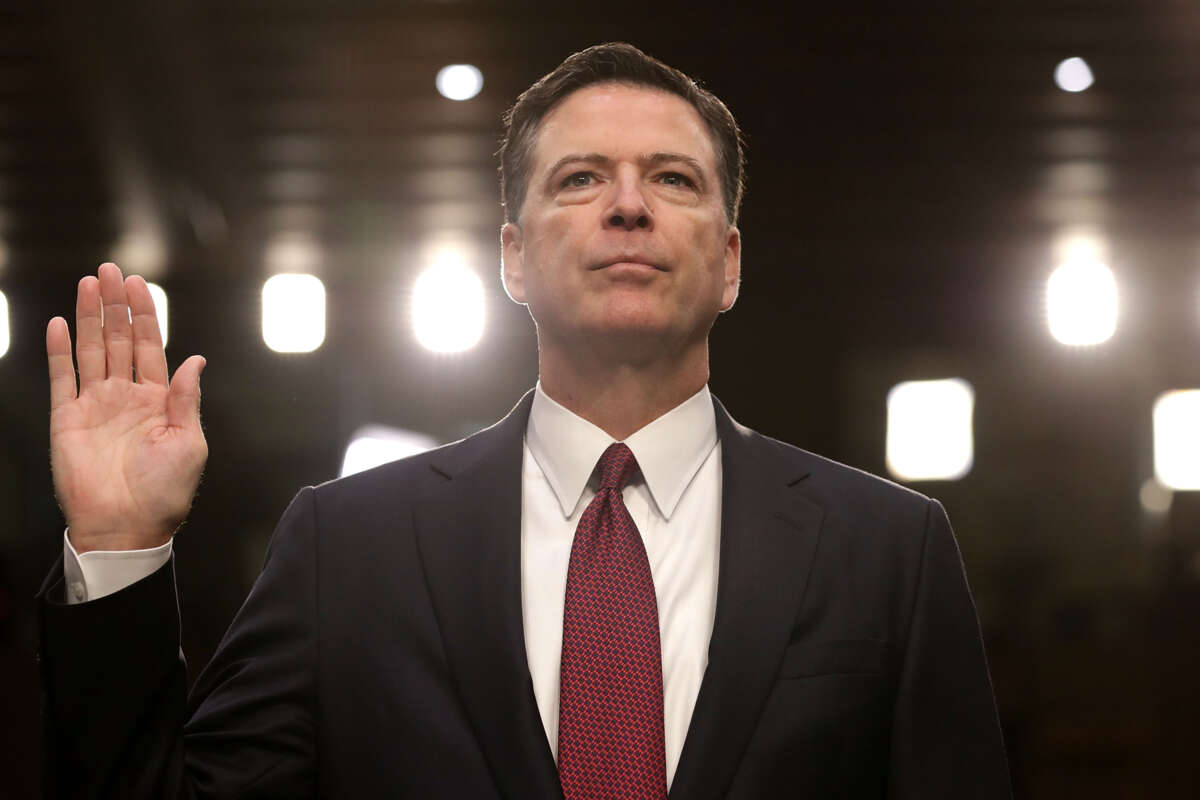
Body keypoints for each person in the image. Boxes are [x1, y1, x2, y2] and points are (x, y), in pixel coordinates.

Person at [38, 43, 1011, 798]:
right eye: (580, 178)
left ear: (731, 262)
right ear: (510, 258)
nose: (628, 205)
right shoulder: (350, 547)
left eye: (673, 179)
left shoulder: (889, 551)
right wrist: (119, 547)